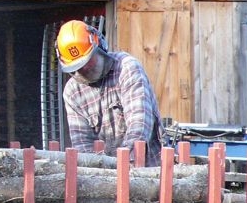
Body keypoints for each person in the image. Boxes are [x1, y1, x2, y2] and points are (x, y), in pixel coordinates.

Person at [55, 20, 166, 167]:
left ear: (99, 46)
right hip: (106, 174)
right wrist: (95, 173)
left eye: (89, 61)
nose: (86, 69)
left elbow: (139, 124)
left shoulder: (126, 68)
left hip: (148, 167)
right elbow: (82, 142)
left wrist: (125, 163)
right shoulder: (73, 92)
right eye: (79, 67)